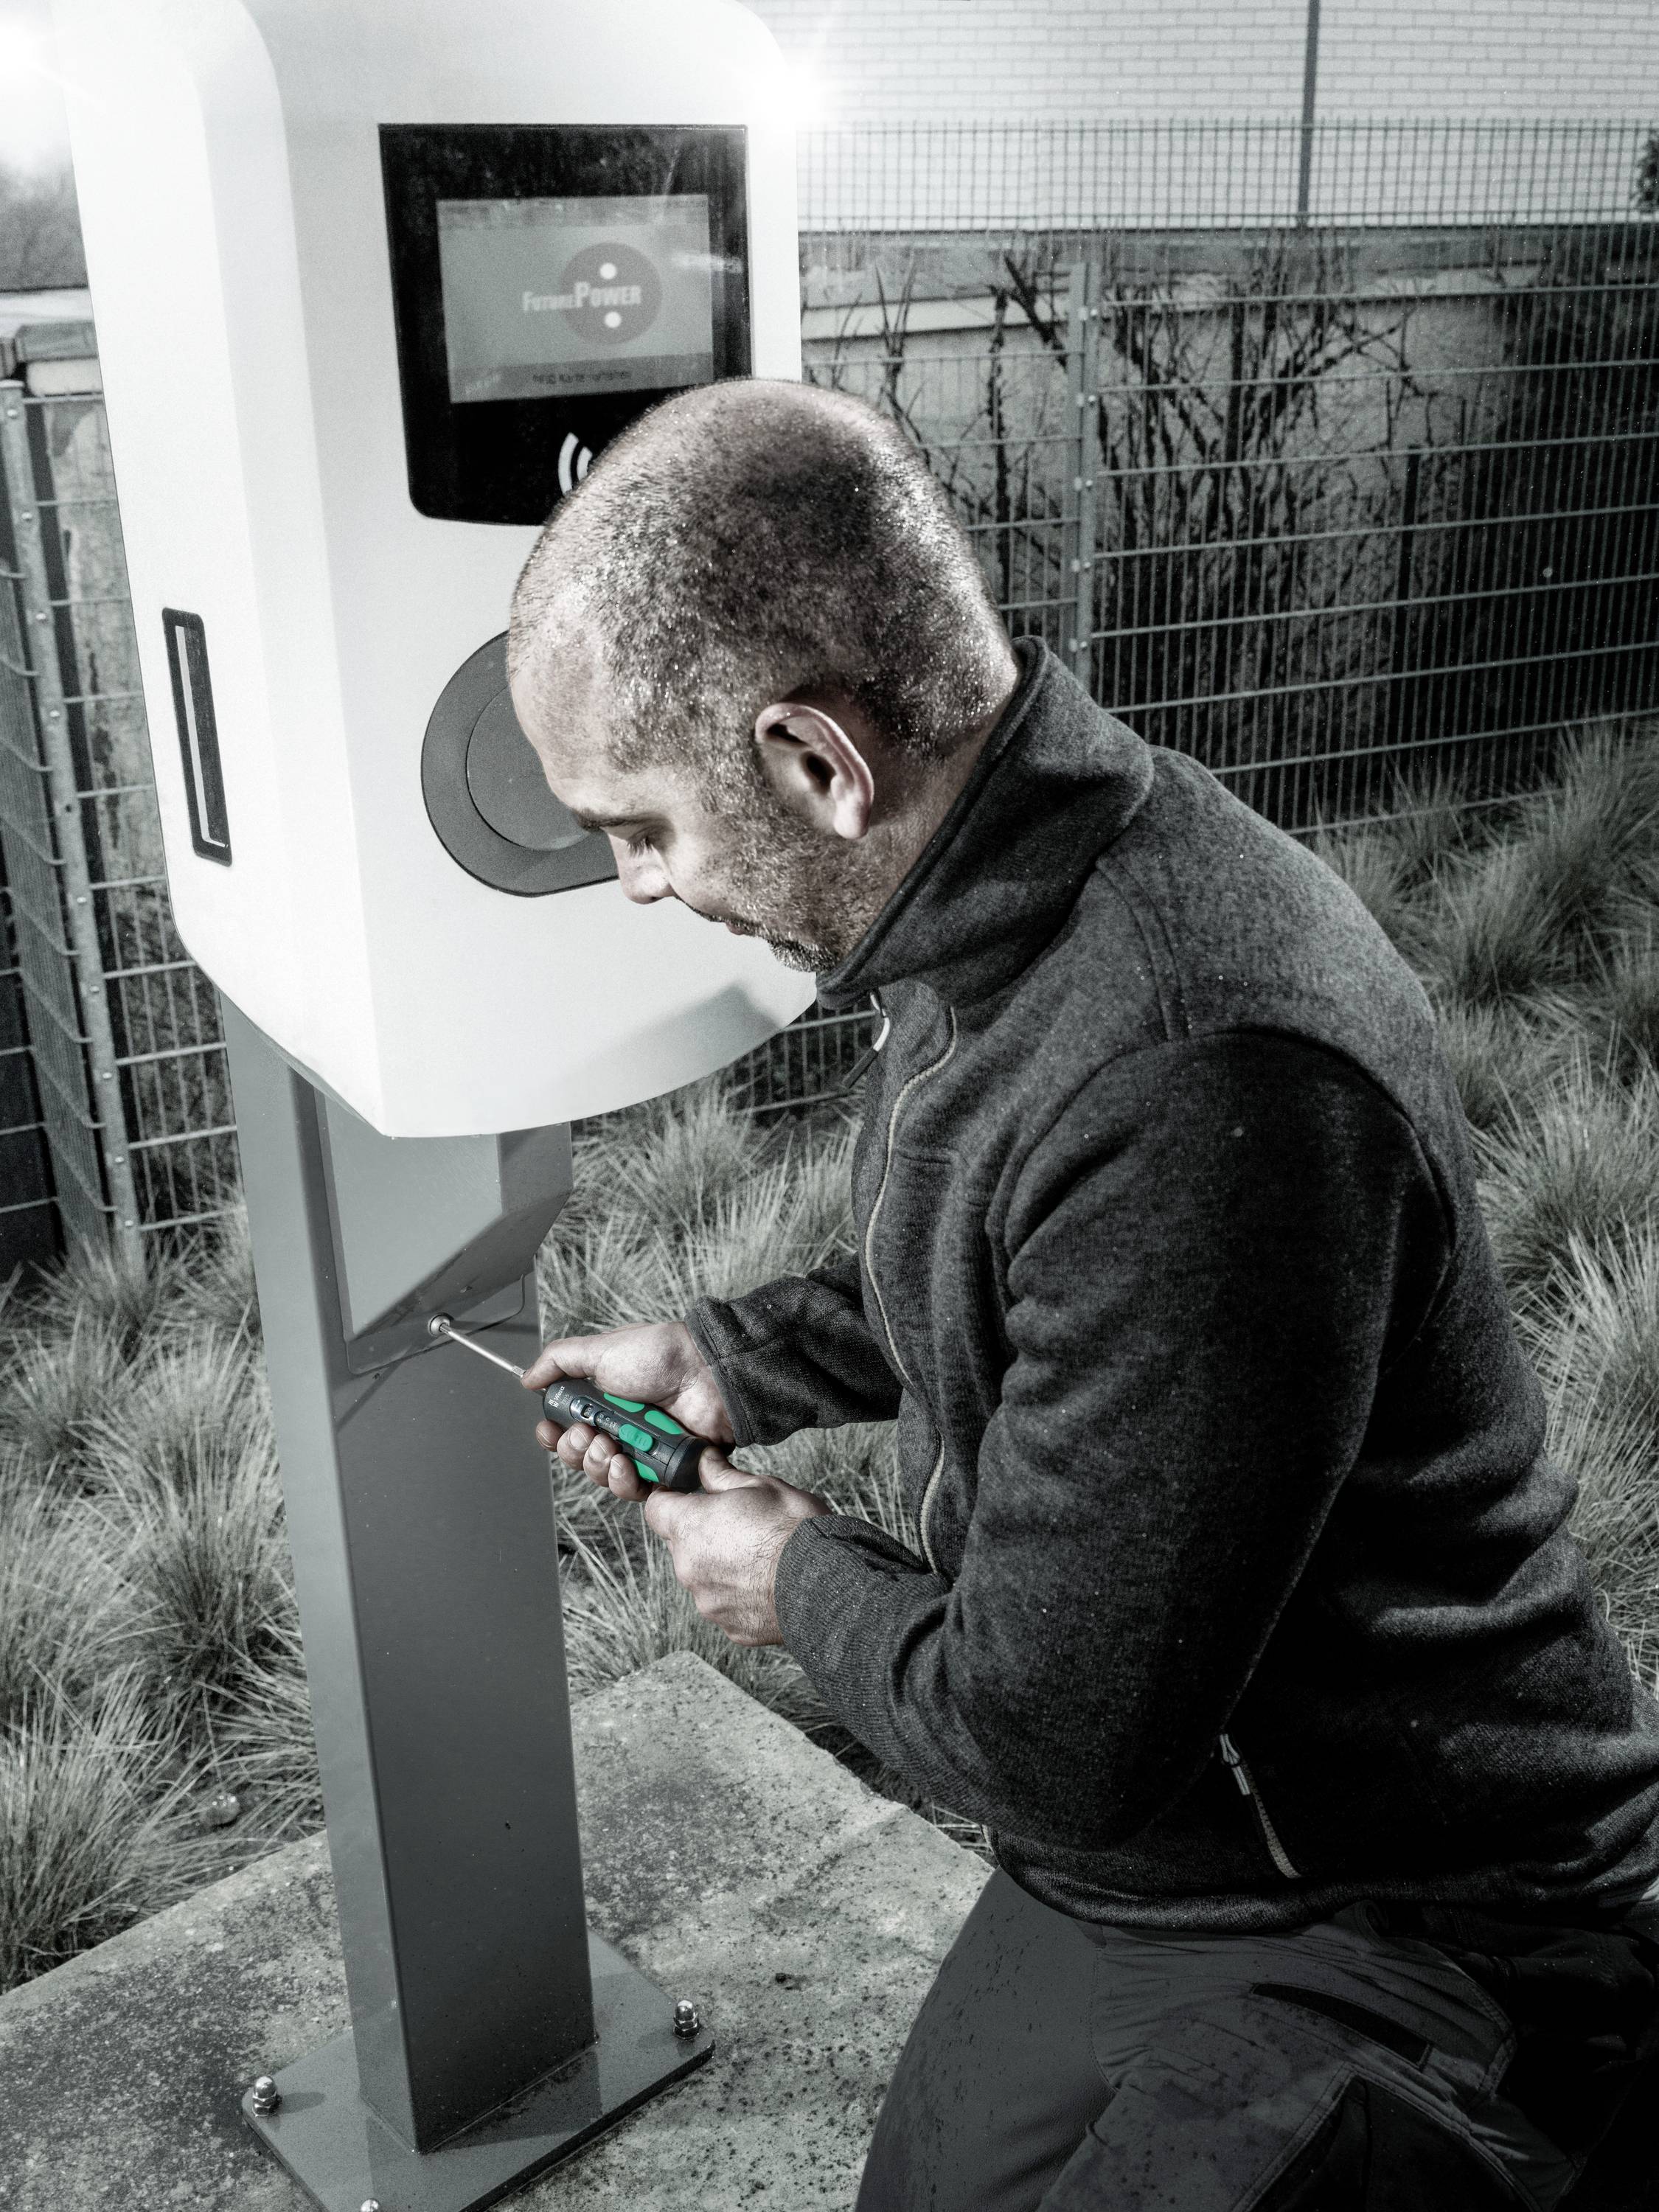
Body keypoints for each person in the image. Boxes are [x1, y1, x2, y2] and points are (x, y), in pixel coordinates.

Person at [506, 378, 1659, 2210]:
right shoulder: (1007, 902)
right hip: (1172, 1846)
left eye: (639, 826)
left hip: (1405, 1907)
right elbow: (1027, 1270)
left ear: (815, 762)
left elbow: (1049, 1744)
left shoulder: (1193, 1065)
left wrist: (791, 1580)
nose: (639, 884)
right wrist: (736, 1361)